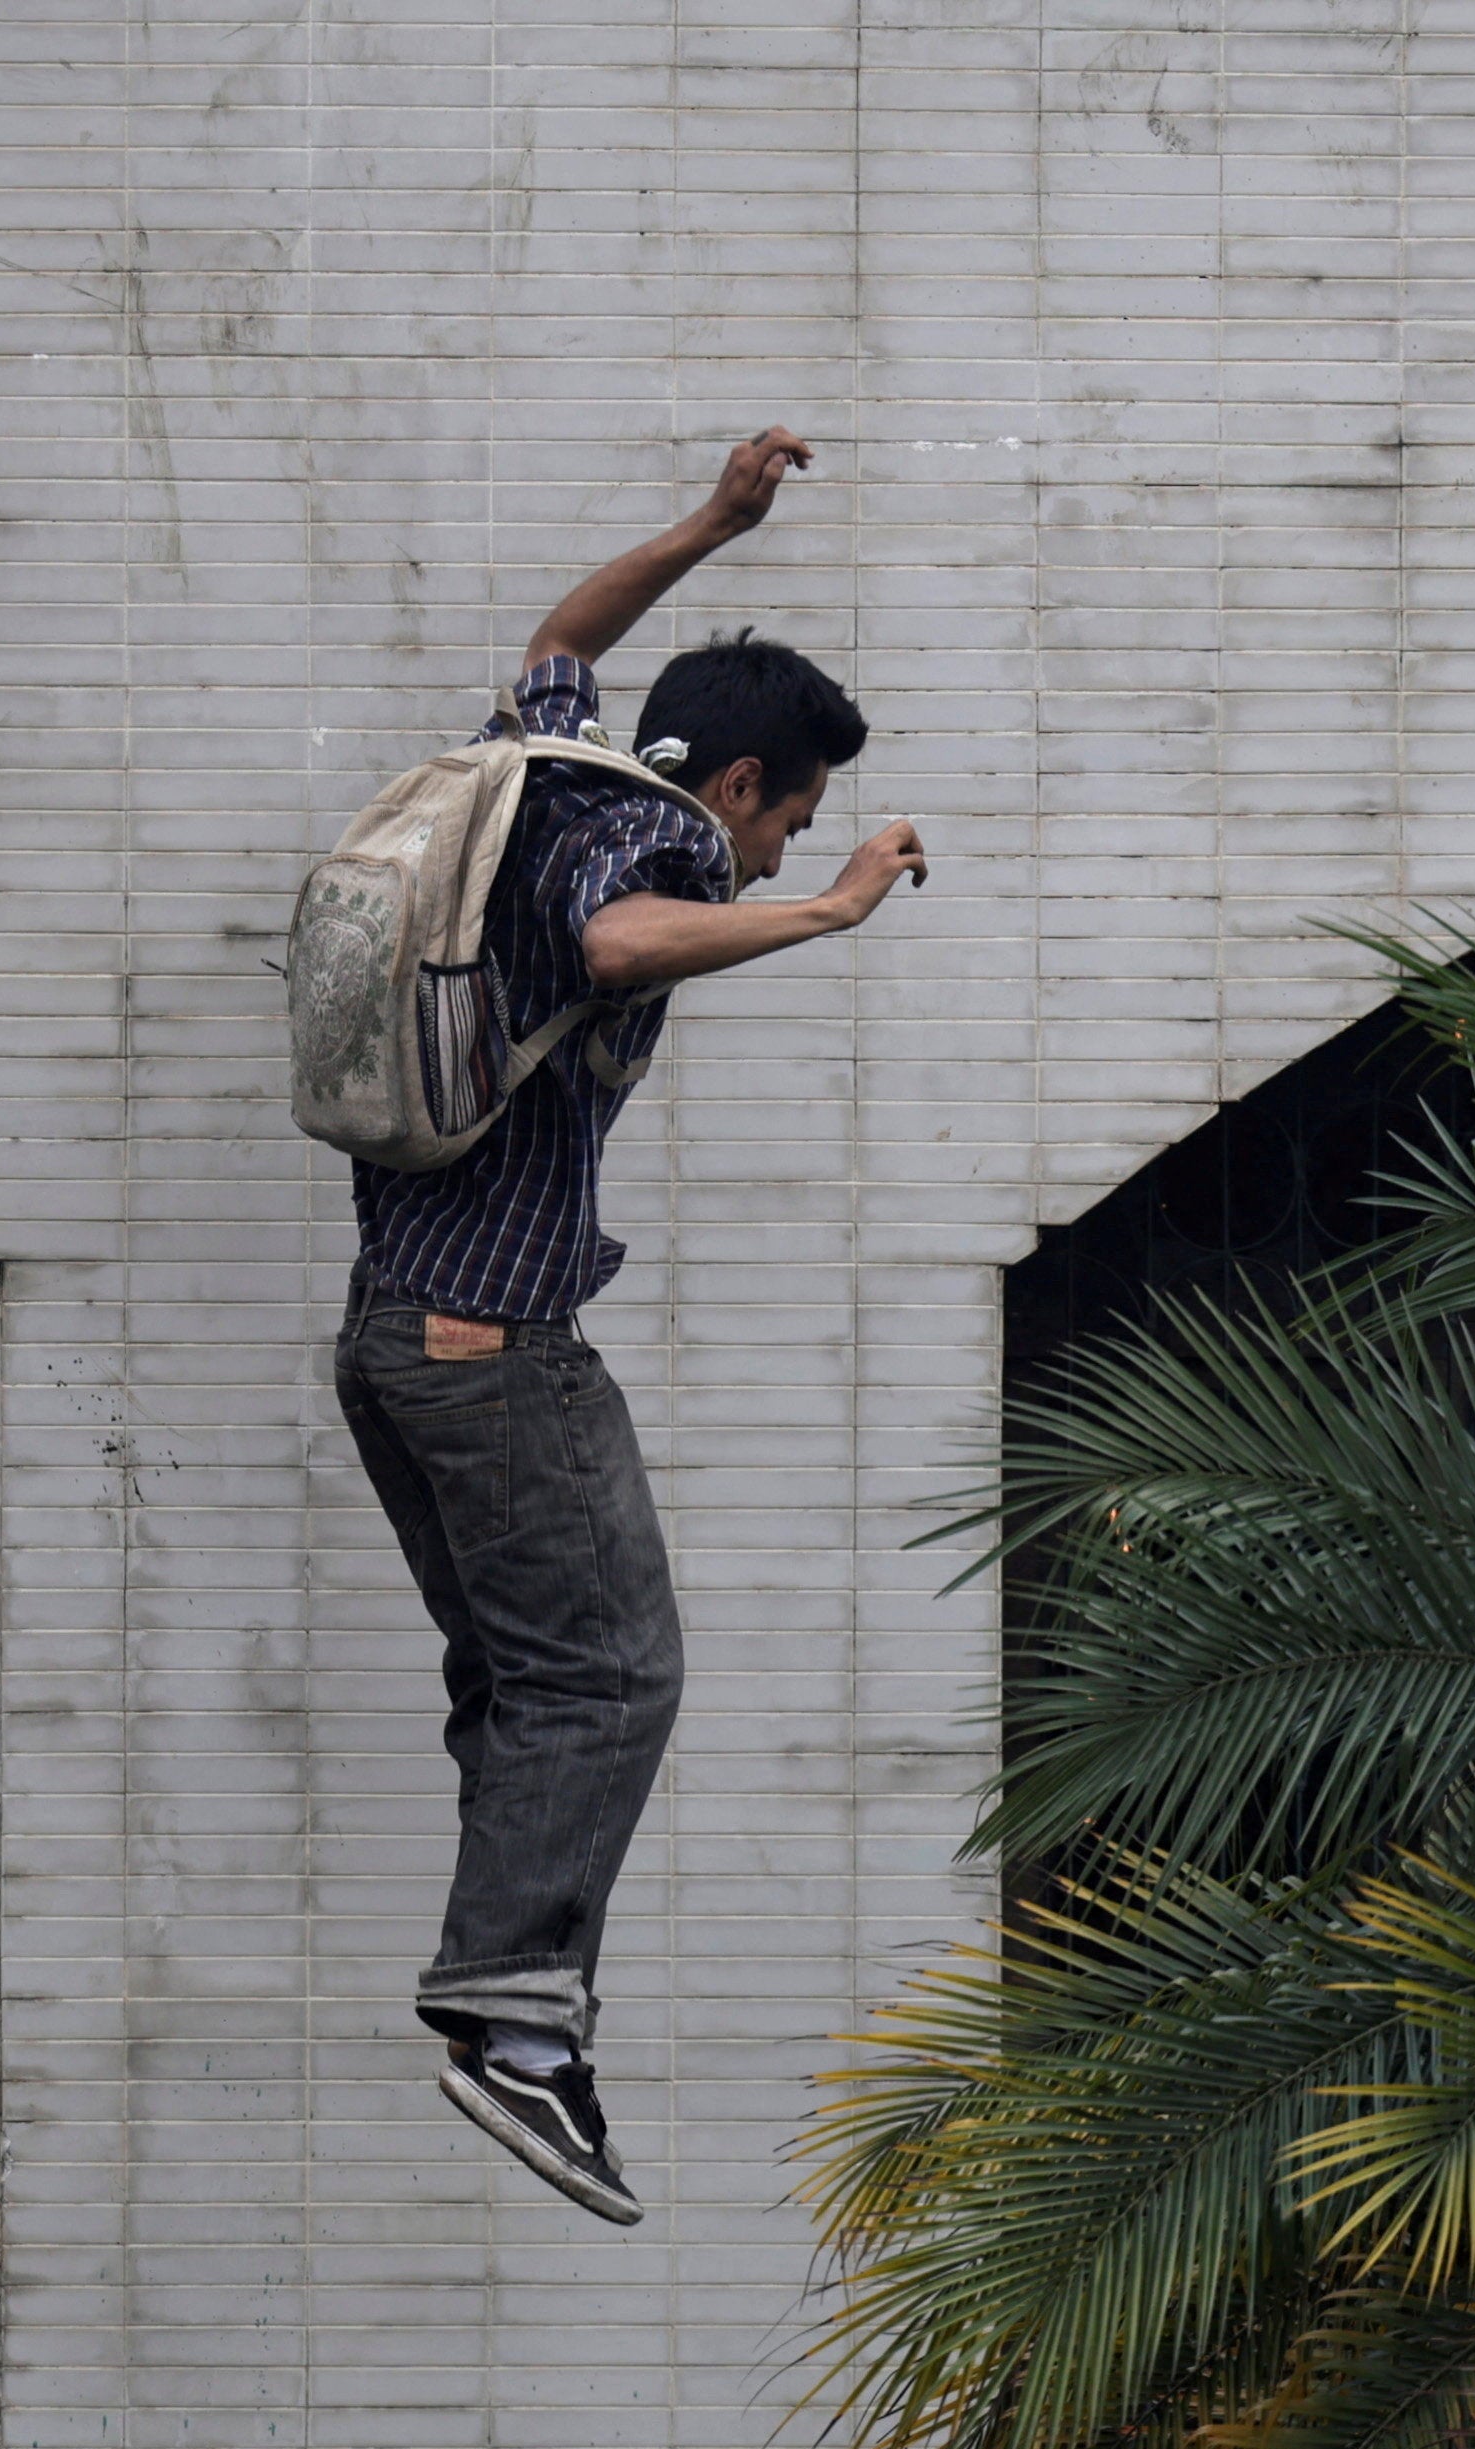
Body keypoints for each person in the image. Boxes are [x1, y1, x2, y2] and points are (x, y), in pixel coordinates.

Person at [332, 428, 926, 2223]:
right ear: (743, 783)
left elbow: (559, 631)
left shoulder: (546, 762)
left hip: (390, 1342)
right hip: (494, 1348)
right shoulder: (649, 833)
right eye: (788, 824)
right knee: (614, 1675)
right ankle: (520, 2030)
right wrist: (825, 919)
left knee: (529, 1680)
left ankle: (507, 1981)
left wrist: (711, 525)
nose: (768, 861)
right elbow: (613, 945)